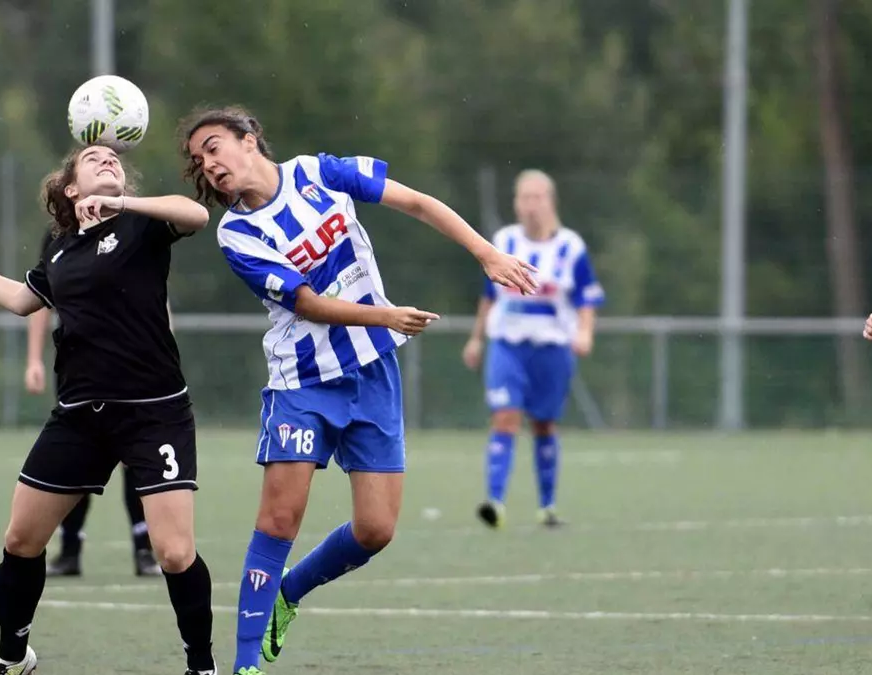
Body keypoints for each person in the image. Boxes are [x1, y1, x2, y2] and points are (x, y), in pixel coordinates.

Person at [179, 106, 537, 675]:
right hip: (303, 383)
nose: (208, 164)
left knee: (376, 530)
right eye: (199, 160)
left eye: (214, 147)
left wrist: (486, 253)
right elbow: (306, 303)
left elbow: (416, 203)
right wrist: (385, 316)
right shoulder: (236, 233)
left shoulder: (319, 172)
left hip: (373, 373)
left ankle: (289, 592)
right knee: (279, 520)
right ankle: (245, 666)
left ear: (249, 140)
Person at [0, 143, 217, 675]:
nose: (108, 160)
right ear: (70, 188)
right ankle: (13, 658)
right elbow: (23, 299)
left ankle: (202, 667)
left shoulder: (141, 225)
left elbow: (196, 213)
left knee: (175, 553)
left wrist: (124, 204)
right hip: (80, 415)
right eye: (93, 158)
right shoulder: (61, 249)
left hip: (154, 412)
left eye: (114, 159)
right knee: (21, 540)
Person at [461, 170, 604, 529]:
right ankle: (494, 502)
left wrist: (585, 332)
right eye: (524, 198)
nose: (530, 206)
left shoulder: (570, 247)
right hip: (507, 346)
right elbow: (489, 296)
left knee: (543, 423)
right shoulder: (504, 241)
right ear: (515, 203)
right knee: (505, 416)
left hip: (552, 349)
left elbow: (586, 298)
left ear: (550, 202)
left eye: (537, 197)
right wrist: (476, 338)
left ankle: (547, 507)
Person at [24, 228, 162, 579]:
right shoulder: (58, 236)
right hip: (79, 370)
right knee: (77, 457)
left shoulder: (134, 226)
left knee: (134, 458)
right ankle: (69, 551)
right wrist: (34, 359)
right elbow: (37, 298)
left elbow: (157, 296)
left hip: (133, 368)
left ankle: (144, 550)